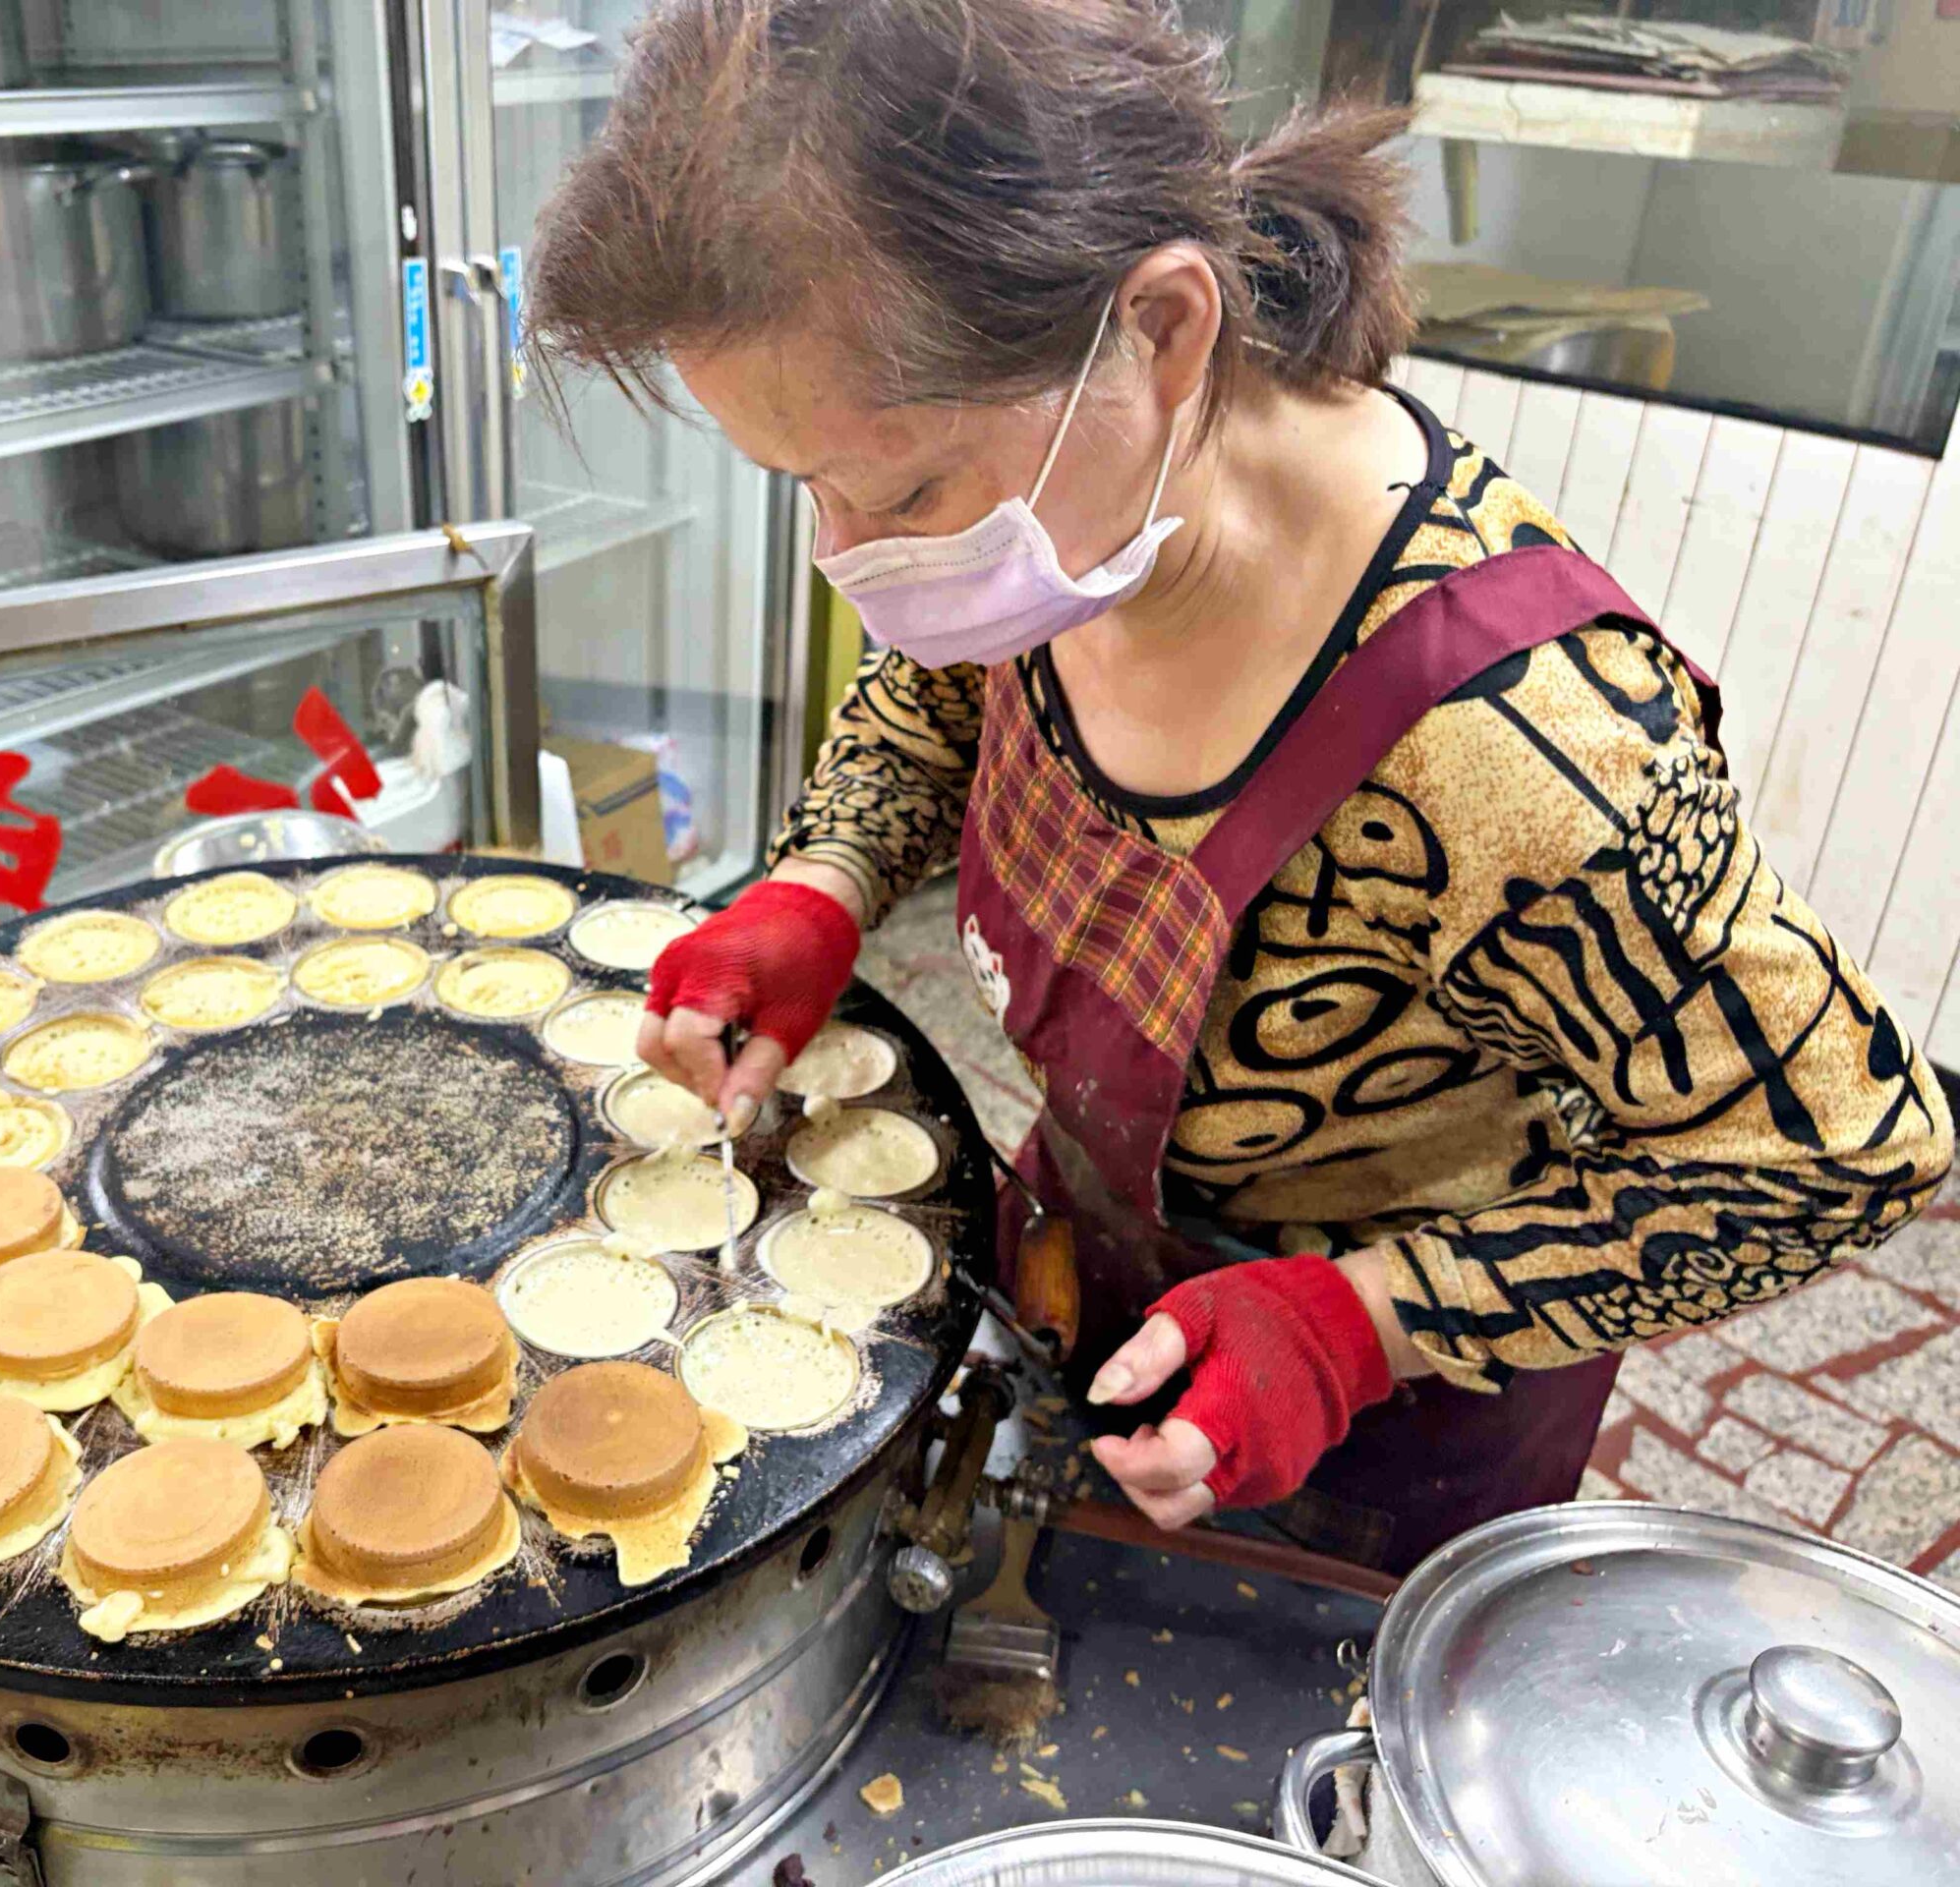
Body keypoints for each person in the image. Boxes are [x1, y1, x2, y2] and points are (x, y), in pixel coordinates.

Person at [527, 0, 1954, 1572]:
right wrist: (824, 881)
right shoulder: (1080, 525)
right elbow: (943, 683)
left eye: (912, 489)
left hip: (1375, 1426)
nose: (861, 563)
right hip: (1085, 1269)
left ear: (1163, 328)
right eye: (806, 488)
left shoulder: (1517, 744)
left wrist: (1368, 1323)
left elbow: (1839, 1151)